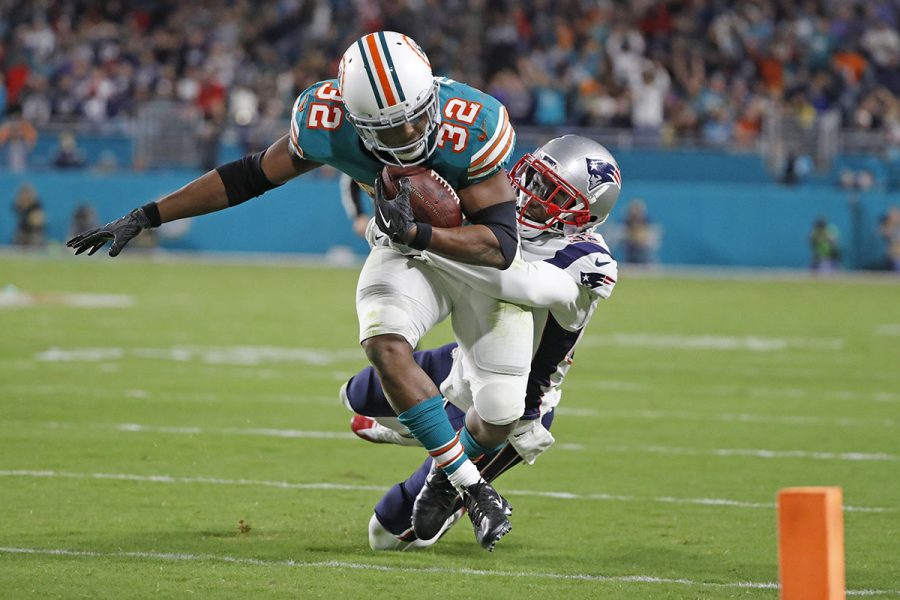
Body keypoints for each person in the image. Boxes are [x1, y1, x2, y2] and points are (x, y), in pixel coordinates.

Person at [66, 32, 527, 551]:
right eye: (387, 127)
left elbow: (502, 245)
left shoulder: (475, 122)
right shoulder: (325, 119)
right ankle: (470, 485)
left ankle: (446, 413)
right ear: (355, 120)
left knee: (507, 410)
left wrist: (417, 232)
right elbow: (247, 177)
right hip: (409, 250)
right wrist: (149, 214)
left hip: (475, 254)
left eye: (417, 117)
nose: (408, 133)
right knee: (382, 339)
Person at [344, 135, 621, 550]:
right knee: (356, 395)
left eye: (549, 191)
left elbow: (516, 281)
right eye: (533, 176)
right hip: (464, 360)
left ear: (581, 215)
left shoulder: (587, 261)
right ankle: (419, 432)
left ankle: (452, 477)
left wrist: (415, 237)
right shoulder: (504, 210)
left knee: (386, 534)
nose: (528, 190)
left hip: (509, 414)